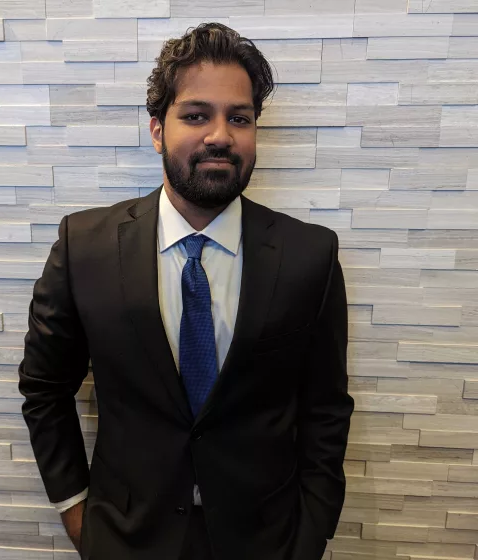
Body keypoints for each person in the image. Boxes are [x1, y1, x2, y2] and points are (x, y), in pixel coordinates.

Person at [18, 22, 354, 560]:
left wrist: (313, 530)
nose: (220, 135)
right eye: (196, 115)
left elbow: (325, 407)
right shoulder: (85, 246)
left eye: (239, 118)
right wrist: (77, 512)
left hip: (267, 541)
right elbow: (44, 389)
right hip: (126, 538)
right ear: (157, 130)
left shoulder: (309, 255)